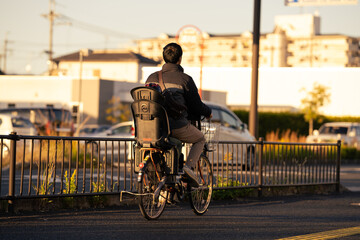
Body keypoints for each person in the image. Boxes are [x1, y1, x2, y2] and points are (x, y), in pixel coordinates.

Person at [145, 42, 212, 187]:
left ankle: (165, 188)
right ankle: (188, 168)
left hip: (153, 127)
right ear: (180, 59)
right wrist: (208, 113)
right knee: (200, 139)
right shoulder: (184, 79)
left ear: (164, 57)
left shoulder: (151, 78)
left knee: (171, 145)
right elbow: (196, 105)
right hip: (175, 125)